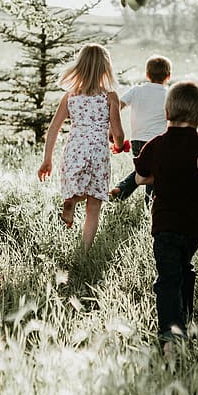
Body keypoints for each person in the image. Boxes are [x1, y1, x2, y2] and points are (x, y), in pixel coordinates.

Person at [133, 81, 198, 356]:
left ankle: (171, 336)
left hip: (165, 224)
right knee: (184, 268)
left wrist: (159, 175)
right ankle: (186, 319)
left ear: (167, 110)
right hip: (193, 226)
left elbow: (141, 177)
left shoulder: (156, 145)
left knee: (167, 278)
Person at [38, 43, 125, 252]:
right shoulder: (110, 96)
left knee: (77, 187)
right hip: (97, 151)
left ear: (80, 66)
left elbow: (53, 129)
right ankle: (85, 251)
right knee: (94, 204)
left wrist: (47, 159)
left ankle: (71, 200)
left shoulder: (70, 96)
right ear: (106, 68)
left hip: (74, 149)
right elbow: (118, 133)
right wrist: (119, 145)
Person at [109, 55, 172, 204]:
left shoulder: (136, 90)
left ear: (147, 75)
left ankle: (120, 191)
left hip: (137, 140)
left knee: (145, 170)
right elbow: (173, 116)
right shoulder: (168, 95)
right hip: (158, 141)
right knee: (154, 172)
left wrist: (113, 126)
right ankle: (150, 204)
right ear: (168, 76)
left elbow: (117, 105)